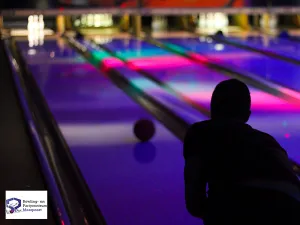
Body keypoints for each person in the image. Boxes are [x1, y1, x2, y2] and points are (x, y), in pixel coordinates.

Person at [183, 79, 300, 225]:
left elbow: (195, 203)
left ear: (212, 109)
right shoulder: (268, 141)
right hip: (291, 209)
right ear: (247, 116)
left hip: (239, 208)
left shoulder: (199, 133)